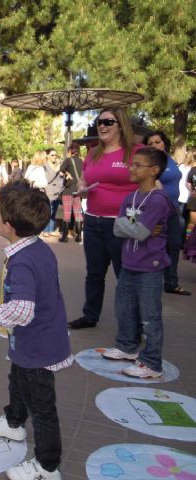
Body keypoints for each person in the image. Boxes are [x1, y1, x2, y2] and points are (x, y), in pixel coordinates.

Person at [0, 179, 72, 480]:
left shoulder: (22, 261)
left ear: (7, 225)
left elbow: (23, 308)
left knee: (42, 406)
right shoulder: (36, 247)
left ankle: (47, 466)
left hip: (38, 345)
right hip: (31, 342)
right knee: (18, 380)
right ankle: (13, 422)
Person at [102, 147, 173, 378]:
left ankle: (152, 363)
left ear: (154, 170)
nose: (131, 168)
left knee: (150, 316)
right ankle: (126, 347)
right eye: (132, 164)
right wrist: (137, 229)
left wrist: (136, 229)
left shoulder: (159, 200)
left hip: (149, 266)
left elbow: (140, 232)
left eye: (138, 165)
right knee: (124, 309)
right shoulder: (131, 197)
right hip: (129, 263)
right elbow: (119, 228)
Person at [68, 108, 142, 329]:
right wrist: (82, 188)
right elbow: (83, 179)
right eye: (99, 122)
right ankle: (90, 315)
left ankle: (132, 325)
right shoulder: (93, 153)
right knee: (94, 273)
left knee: (125, 276)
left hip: (122, 224)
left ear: (121, 125)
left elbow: (149, 184)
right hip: (93, 220)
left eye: (109, 121)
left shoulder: (136, 152)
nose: (102, 126)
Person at [144, 130, 190, 296]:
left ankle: (171, 282)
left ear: (164, 143)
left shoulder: (169, 160)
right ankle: (149, 282)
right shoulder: (148, 162)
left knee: (174, 244)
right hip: (157, 210)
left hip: (174, 208)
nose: (154, 145)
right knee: (154, 246)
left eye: (157, 142)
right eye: (150, 143)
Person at [58, 143, 84, 242]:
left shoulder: (68, 160)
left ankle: (64, 237)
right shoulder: (82, 161)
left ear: (70, 151)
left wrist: (67, 173)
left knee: (67, 213)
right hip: (78, 190)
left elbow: (61, 172)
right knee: (78, 213)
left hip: (68, 190)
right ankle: (79, 236)